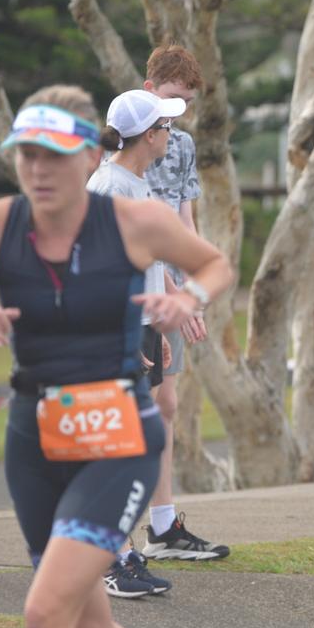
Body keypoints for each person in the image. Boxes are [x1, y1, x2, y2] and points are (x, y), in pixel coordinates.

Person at [0, 84, 232, 628]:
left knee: (44, 615)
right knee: (85, 627)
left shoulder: (135, 220)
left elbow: (214, 265)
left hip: (118, 439)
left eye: (52, 155)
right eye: (26, 155)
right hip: (34, 443)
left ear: (88, 154)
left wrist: (186, 299)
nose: (37, 170)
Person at [86, 87, 188, 599]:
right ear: (149, 136)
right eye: (166, 127)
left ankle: (123, 553)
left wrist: (156, 330)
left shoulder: (134, 183)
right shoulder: (110, 187)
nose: (171, 134)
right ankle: (108, 559)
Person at [138, 45, 229, 564]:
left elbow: (184, 222)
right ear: (150, 90)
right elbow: (136, 229)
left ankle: (163, 525)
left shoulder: (183, 143)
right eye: (172, 100)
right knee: (134, 409)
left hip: (171, 289)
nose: (179, 113)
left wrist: (193, 290)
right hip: (137, 291)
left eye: (187, 103)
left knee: (166, 405)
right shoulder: (124, 138)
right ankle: (108, 539)